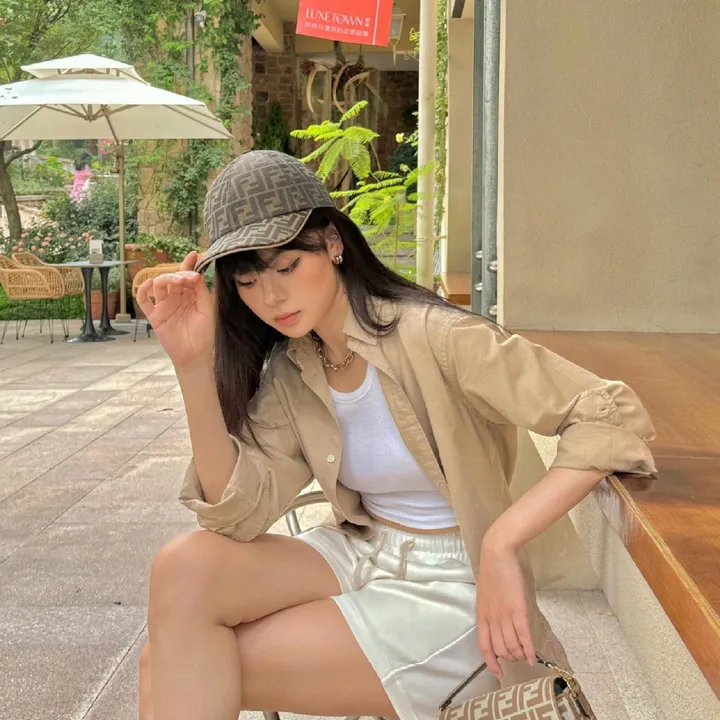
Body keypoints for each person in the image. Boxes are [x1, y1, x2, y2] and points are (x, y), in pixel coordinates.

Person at [136, 151, 656, 720]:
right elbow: (236, 513)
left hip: (454, 584)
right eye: (248, 280)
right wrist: (192, 364)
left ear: (332, 242)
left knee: (170, 664)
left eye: (287, 266)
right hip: (364, 548)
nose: (271, 296)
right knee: (183, 567)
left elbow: (611, 414)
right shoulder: (294, 367)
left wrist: (501, 542)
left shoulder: (437, 336)